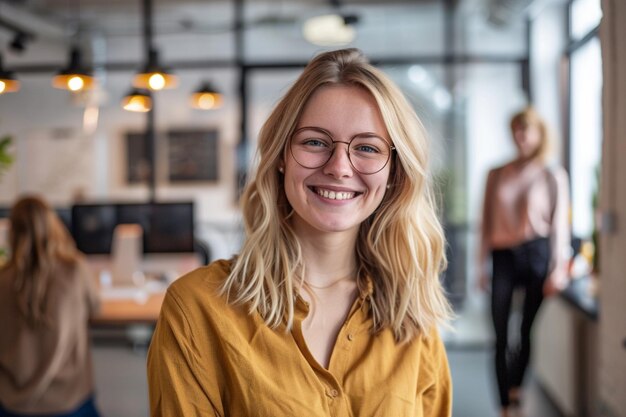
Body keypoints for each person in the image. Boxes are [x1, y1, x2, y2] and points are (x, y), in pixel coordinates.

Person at [147, 48, 453, 416]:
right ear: (280, 155)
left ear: (394, 173)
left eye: (368, 147)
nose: (339, 167)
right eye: (315, 142)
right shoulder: (198, 309)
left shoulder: (412, 316)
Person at [478, 107, 570, 417]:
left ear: (539, 134)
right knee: (500, 333)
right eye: (516, 129)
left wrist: (558, 267)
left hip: (537, 253)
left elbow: (560, 227)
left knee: (526, 331)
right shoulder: (495, 173)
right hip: (502, 256)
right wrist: (480, 266)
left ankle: (517, 390)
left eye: (525, 129)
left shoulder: (551, 174)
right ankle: (504, 403)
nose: (520, 135)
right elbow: (485, 222)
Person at [0, 196, 101, 417]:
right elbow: (95, 308)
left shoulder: (3, 278)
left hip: (11, 403)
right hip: (68, 399)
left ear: (12, 232)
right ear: (53, 225)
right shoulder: (75, 269)